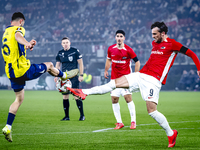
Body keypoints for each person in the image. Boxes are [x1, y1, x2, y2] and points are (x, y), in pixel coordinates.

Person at [63, 22, 200, 148]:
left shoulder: (173, 44)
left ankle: (171, 134)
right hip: (140, 75)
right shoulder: (154, 43)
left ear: (163, 33)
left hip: (153, 81)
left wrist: (199, 68)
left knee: (151, 111)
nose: (152, 37)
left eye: (155, 34)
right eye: (152, 34)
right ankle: (83, 92)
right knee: (113, 84)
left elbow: (191, 53)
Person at [1, 12, 79, 142]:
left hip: (11, 72)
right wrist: (27, 43)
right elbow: (18, 36)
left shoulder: (5, 33)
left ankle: (8, 127)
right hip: (22, 69)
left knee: (19, 99)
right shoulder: (18, 29)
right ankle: (64, 75)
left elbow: (15, 43)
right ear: (21, 21)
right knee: (49, 65)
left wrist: (26, 44)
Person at [104, 30, 140, 130]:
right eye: (117, 36)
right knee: (114, 99)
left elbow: (137, 62)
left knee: (128, 98)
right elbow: (108, 59)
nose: (119, 38)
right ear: (115, 38)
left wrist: (135, 75)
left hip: (126, 79)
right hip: (114, 79)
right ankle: (119, 122)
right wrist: (106, 70)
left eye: (121, 36)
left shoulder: (128, 50)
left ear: (124, 38)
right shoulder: (111, 49)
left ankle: (133, 121)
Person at [54, 37, 85, 121]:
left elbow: (81, 64)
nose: (65, 44)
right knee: (65, 97)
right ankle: (66, 116)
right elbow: (57, 65)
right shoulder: (60, 53)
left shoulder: (75, 51)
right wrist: (56, 75)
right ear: (61, 44)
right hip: (64, 78)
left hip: (73, 77)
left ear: (69, 43)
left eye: (67, 42)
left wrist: (81, 75)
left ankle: (82, 115)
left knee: (76, 96)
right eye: (63, 43)